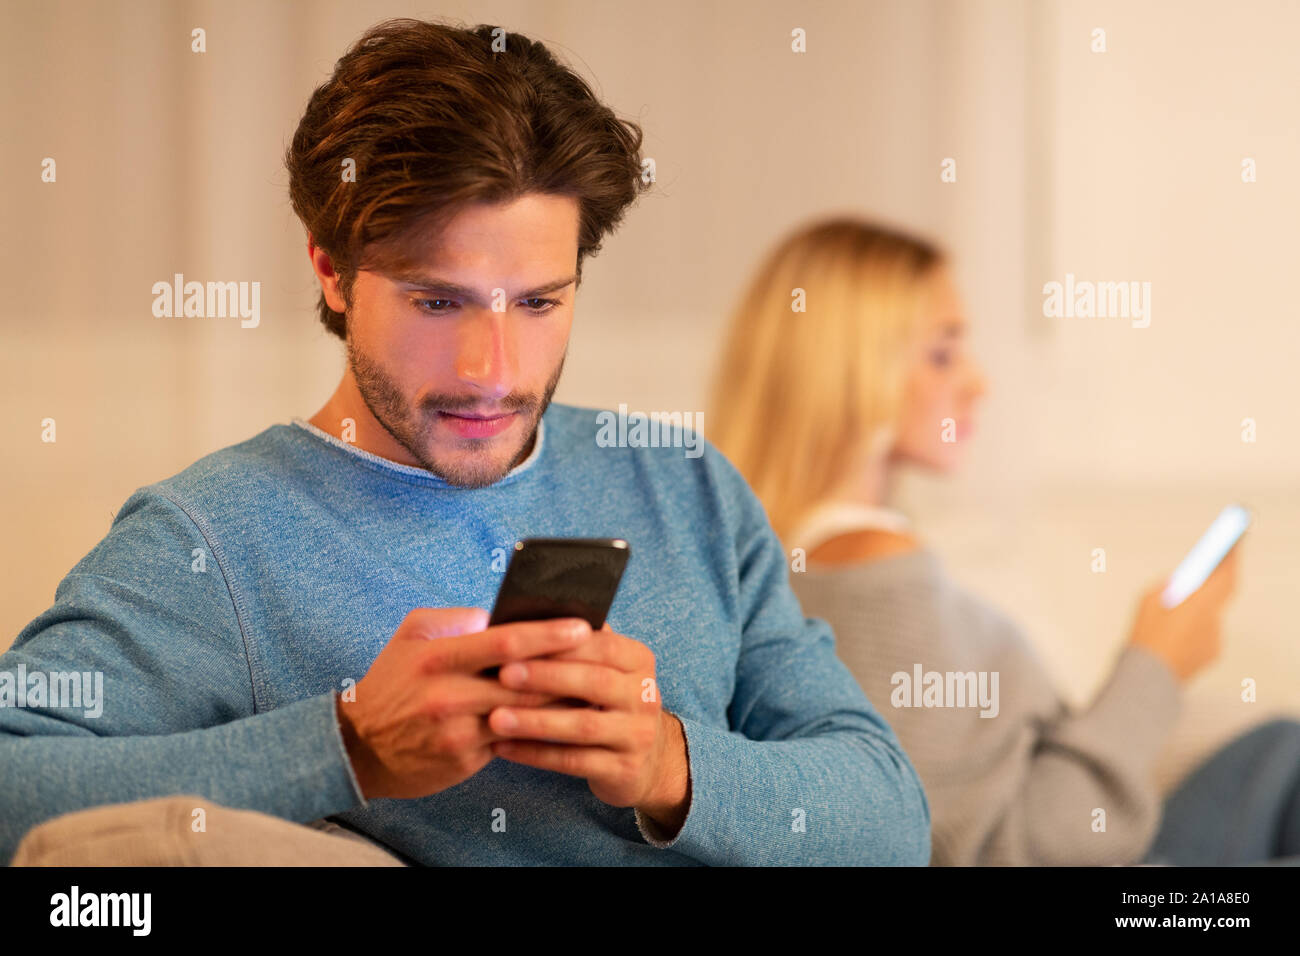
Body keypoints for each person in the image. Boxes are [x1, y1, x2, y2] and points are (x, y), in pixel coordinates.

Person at [0, 21, 930, 867]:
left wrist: (667, 763)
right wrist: (348, 746)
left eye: (538, 303)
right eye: (438, 301)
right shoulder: (213, 538)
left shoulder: (682, 484)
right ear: (331, 268)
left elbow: (893, 820)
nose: (493, 370)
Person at [707, 216, 1300, 866]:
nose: (977, 382)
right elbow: (1028, 845)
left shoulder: (787, 561)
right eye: (942, 353)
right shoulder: (878, 574)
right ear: (851, 373)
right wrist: (1156, 663)